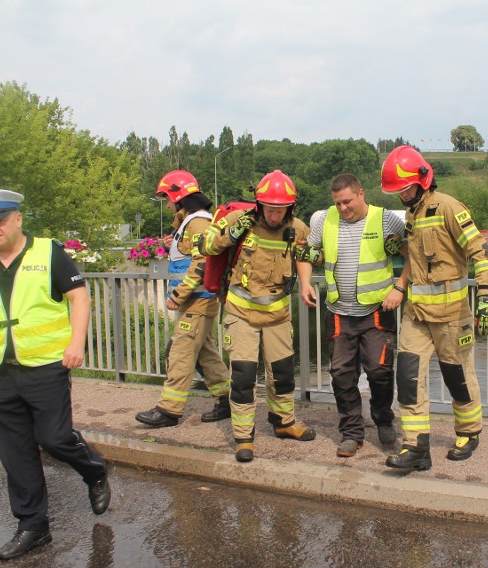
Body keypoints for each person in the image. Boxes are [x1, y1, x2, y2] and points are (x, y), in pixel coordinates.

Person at [0, 189, 111, 561]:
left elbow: (79, 298)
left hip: (47, 367)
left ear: (18, 219)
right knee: (14, 453)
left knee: (54, 438)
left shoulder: (49, 253)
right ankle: (33, 527)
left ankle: (94, 469)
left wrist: (76, 342)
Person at [379, 146, 488, 471]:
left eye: (405, 187)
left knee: (457, 377)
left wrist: (487, 298)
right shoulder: (413, 215)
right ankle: (416, 448)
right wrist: (399, 246)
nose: (402, 194)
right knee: (407, 378)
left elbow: (481, 252)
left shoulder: (448, 207)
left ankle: (469, 432)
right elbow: (418, 258)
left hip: (451, 316)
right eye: (397, 190)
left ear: (422, 179)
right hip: (417, 315)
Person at [201, 170, 316, 462]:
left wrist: (305, 285)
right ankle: (243, 437)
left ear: (290, 207)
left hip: (278, 314)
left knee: (283, 374)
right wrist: (232, 234)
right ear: (258, 204)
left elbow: (303, 256)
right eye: (269, 209)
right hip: (241, 314)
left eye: (280, 210)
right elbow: (206, 245)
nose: (274, 215)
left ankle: (284, 422)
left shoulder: (298, 229)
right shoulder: (238, 222)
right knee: (243, 377)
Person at [295, 173, 407, 458]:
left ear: (361, 194)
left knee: (380, 372)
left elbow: (413, 255)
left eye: (347, 202)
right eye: (337, 203)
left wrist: (400, 288)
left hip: (378, 312)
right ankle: (351, 433)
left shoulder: (386, 220)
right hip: (338, 312)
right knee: (342, 375)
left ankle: (383, 420)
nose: (342, 209)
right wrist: (306, 283)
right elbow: (307, 253)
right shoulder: (323, 219)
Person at [135, 170, 231, 428]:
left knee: (180, 352)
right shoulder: (189, 222)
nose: (166, 204)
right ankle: (227, 400)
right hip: (197, 301)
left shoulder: (198, 222)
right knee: (205, 354)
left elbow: (202, 262)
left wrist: (178, 295)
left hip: (197, 301)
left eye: (167, 197)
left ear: (179, 196)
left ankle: (169, 411)